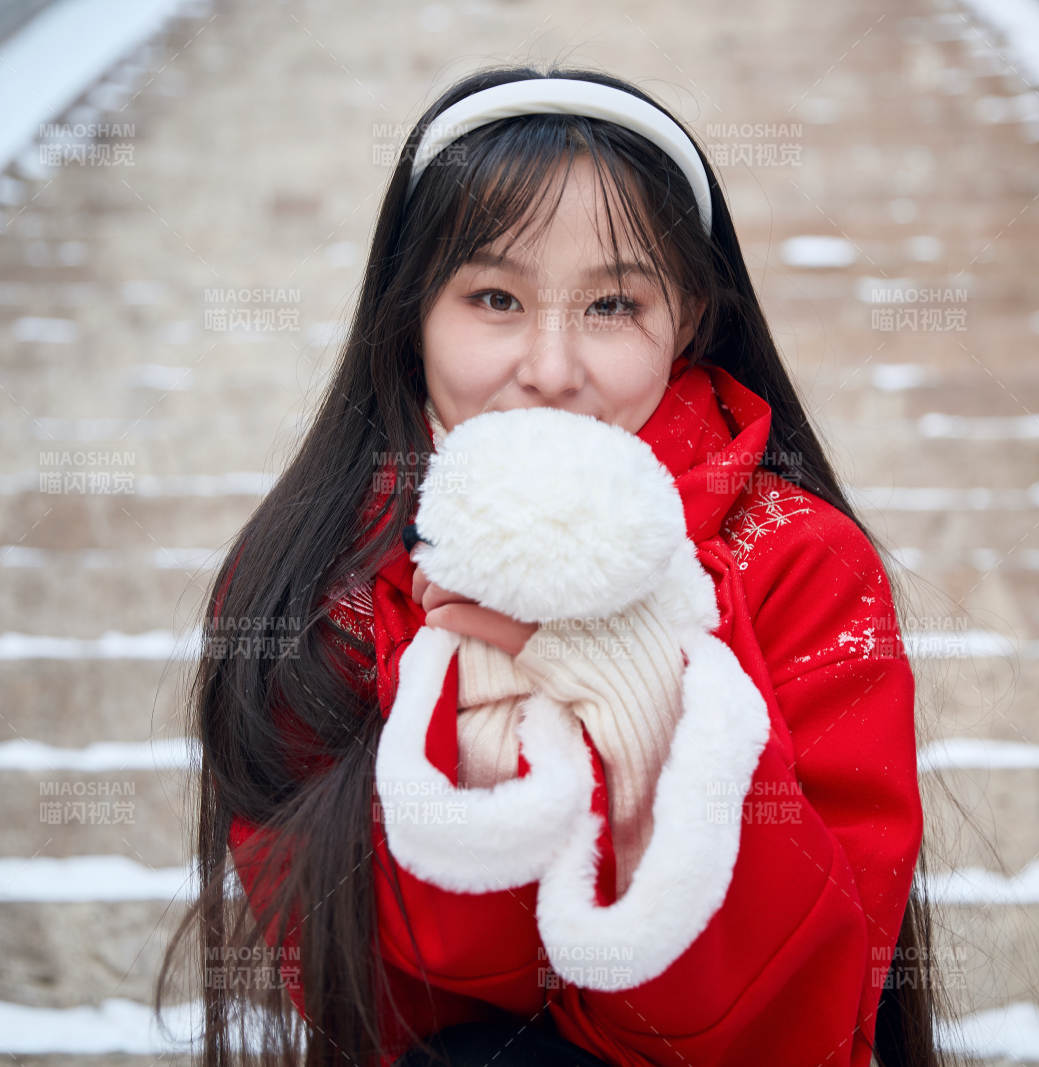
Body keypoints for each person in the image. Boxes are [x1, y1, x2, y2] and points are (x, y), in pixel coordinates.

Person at [157, 65, 944, 1067]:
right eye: (494, 296)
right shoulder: (317, 583)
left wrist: (655, 728)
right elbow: (373, 1002)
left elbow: (796, 1018)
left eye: (612, 304)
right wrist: (480, 734)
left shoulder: (804, 565)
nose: (552, 367)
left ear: (690, 316)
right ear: (410, 315)